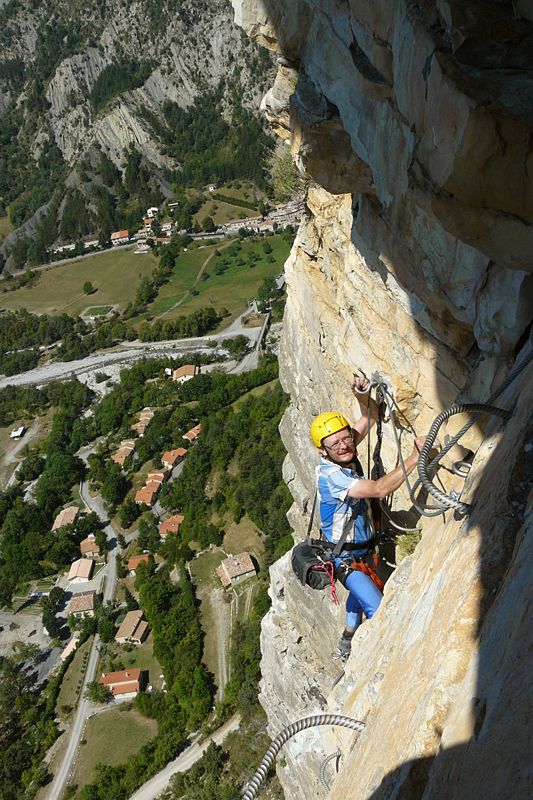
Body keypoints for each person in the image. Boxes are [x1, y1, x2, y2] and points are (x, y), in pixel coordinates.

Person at [310, 375, 426, 661]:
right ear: (323, 451)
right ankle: (387, 662)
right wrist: (415, 457)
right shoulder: (332, 475)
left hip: (363, 553)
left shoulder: (345, 453)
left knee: (360, 596)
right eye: (334, 443)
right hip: (346, 561)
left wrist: (361, 395)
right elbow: (378, 489)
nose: (344, 445)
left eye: (346, 437)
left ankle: (347, 636)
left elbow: (371, 415)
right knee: (378, 610)